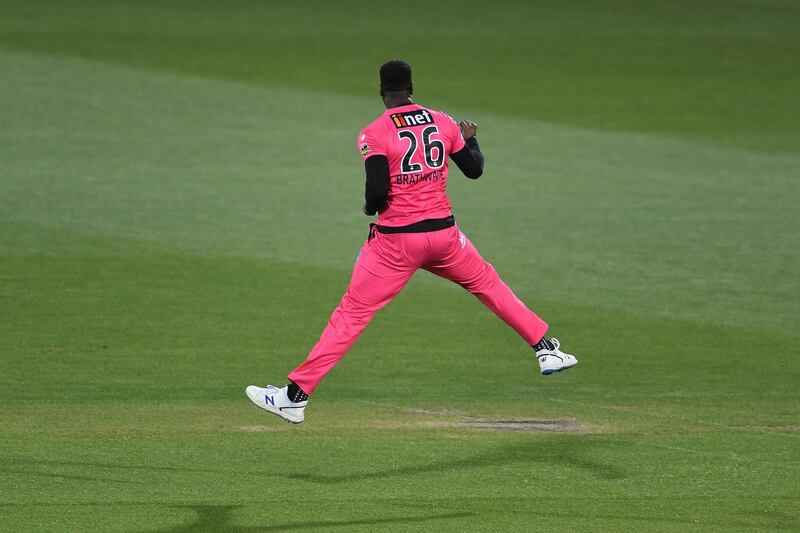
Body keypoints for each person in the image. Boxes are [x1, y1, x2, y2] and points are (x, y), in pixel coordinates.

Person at [246, 60, 577, 424]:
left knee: (351, 316)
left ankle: (294, 397)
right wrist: (472, 140)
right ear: (412, 88)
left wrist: (371, 206)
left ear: (381, 92)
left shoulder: (373, 132)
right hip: (444, 237)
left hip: (395, 245)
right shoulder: (444, 121)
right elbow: (474, 169)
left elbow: (376, 191)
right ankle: (546, 349)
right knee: (488, 284)